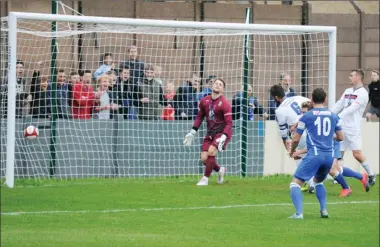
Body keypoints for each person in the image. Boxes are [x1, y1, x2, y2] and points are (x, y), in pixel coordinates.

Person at [293, 101, 370, 197]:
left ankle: (346, 188)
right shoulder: (311, 121)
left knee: (331, 169)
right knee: (336, 168)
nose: (302, 115)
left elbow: (317, 145)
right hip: (329, 143)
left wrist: (299, 151)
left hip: (331, 143)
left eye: (304, 112)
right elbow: (314, 146)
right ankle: (361, 176)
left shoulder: (313, 121)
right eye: (302, 112)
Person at [288, 88, 344, 219]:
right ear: (325, 100)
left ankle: (298, 214)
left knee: (295, 183)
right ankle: (324, 210)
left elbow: (296, 138)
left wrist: (292, 151)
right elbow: (341, 137)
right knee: (318, 181)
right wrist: (329, 138)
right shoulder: (333, 116)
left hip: (314, 155)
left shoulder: (306, 116)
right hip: (329, 156)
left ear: (312, 100)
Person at [183, 78, 232, 186]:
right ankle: (220, 170)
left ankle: (205, 179)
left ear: (223, 89)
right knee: (204, 159)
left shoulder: (225, 104)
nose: (217, 85)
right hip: (210, 133)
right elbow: (199, 117)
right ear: (212, 86)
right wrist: (192, 132)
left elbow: (229, 123)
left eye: (220, 84)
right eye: (216, 83)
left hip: (222, 133)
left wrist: (224, 136)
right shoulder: (204, 100)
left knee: (211, 152)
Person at [332, 69, 376, 186]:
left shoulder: (363, 93)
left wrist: (337, 117)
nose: (349, 78)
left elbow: (352, 109)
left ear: (358, 77)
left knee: (356, 154)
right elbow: (339, 104)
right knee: (338, 153)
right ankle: (339, 176)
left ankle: (371, 174)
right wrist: (330, 115)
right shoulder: (347, 90)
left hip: (353, 128)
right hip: (342, 127)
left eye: (352, 76)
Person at [269, 84, 309, 150]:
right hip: (312, 130)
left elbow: (283, 132)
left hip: (300, 135)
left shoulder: (279, 110)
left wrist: (285, 144)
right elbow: (313, 104)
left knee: (298, 156)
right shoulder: (298, 97)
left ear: (276, 97)